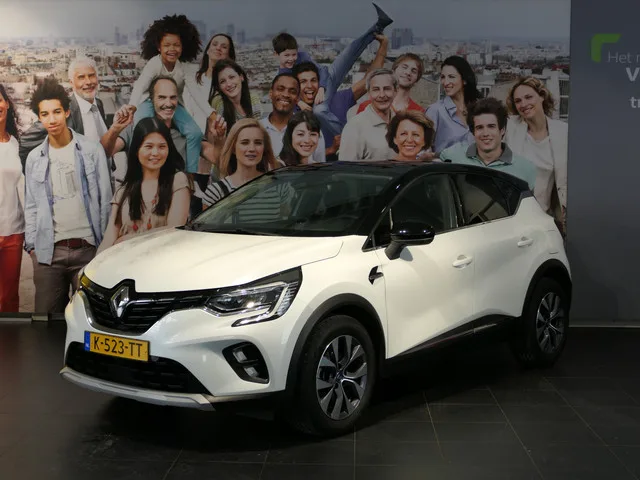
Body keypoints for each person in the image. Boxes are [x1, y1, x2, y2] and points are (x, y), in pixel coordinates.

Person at [23, 79, 112, 314]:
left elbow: (106, 201)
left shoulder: (92, 151)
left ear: (67, 112)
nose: (52, 119)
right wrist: (32, 247)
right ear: (39, 118)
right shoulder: (35, 158)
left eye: (56, 112)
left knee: (91, 318)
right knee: (45, 322)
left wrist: (103, 248)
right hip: (48, 254)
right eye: (45, 114)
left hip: (88, 249)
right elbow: (31, 205)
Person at [292, 8, 392, 158]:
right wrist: (330, 150)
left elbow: (370, 79)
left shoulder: (337, 99)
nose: (309, 86)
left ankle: (378, 26)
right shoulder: (292, 111)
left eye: (314, 80)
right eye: (303, 82)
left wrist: (383, 46)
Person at [97, 117, 192, 253]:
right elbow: (108, 239)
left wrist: (127, 240)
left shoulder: (178, 181)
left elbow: (175, 229)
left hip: (163, 259)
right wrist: (95, 264)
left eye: (162, 146)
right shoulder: (123, 191)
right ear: (137, 150)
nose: (155, 153)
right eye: (148, 146)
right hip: (125, 261)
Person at [128, 14, 206, 175]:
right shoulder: (154, 63)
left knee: (195, 133)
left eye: (176, 45)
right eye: (167, 45)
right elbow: (140, 86)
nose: (172, 49)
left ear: (183, 46)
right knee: (141, 129)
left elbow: (196, 93)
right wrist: (132, 107)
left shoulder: (183, 67)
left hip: (174, 105)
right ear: (159, 47)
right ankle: (138, 172)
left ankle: (190, 174)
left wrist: (210, 114)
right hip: (148, 102)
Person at [18, 57, 112, 170]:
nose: (88, 82)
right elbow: (25, 142)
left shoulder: (98, 104)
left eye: (91, 75)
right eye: (81, 77)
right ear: (71, 82)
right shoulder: (63, 109)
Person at [505, 76, 568, 234]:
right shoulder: (510, 127)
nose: (523, 104)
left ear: (541, 96)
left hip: (542, 221)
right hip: (511, 217)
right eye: (518, 101)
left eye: (528, 97)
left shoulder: (563, 132)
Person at [439, 97, 536, 189]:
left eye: (491, 126)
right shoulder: (454, 155)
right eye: (479, 128)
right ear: (473, 132)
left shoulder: (525, 169)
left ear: (502, 130)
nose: (485, 133)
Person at [202, 118, 279, 208]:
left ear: (264, 148)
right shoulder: (216, 192)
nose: (252, 148)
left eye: (258, 143)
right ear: (233, 148)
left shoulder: (278, 186)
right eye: (245, 143)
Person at [425, 55, 483, 157]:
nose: (445, 82)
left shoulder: (480, 109)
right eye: (443, 77)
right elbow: (424, 150)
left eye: (451, 77)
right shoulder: (435, 111)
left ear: (464, 80)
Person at [261, 73, 325, 163]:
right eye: (280, 89)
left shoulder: (311, 130)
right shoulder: (258, 129)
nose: (286, 94)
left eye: (292, 91)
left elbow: (320, 165)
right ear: (271, 93)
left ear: (297, 98)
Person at [0, 84, 25, 312]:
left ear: (6, 103)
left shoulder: (17, 144)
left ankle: (9, 335)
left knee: (9, 298)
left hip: (13, 232)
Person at [338, 68, 398, 161]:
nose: (382, 95)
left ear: (395, 92)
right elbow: (346, 166)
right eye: (376, 89)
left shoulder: (401, 122)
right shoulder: (355, 126)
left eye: (387, 89)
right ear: (369, 93)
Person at [272, 32, 329, 108]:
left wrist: (321, 89)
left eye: (294, 54)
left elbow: (322, 69)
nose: (291, 59)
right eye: (286, 55)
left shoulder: (303, 57)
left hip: (315, 92)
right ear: (276, 54)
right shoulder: (282, 75)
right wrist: (299, 102)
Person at [357, 53, 425, 114]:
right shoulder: (367, 107)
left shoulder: (419, 112)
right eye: (404, 67)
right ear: (394, 70)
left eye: (414, 71)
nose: (408, 73)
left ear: (417, 79)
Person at [209, 59, 263, 131]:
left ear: (241, 77)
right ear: (219, 87)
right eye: (222, 81)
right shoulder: (219, 104)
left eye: (232, 77)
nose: (228, 84)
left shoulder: (253, 99)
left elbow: (258, 132)